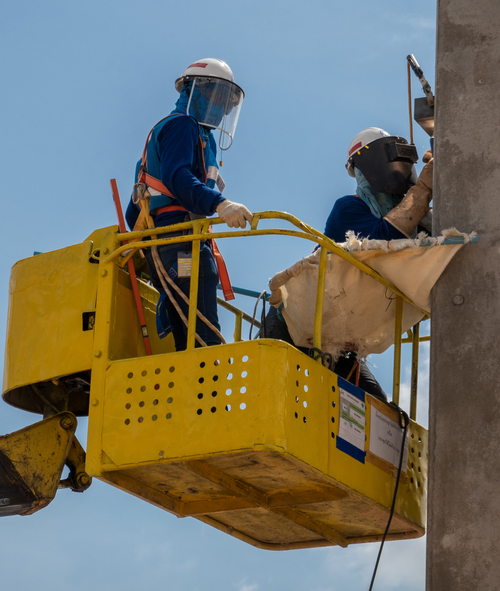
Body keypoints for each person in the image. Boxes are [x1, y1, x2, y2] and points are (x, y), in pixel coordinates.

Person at [263, 127, 434, 403]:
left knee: (377, 411)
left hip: (339, 339)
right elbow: (386, 238)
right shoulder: (349, 209)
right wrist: (423, 189)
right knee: (287, 404)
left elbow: (427, 240)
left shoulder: (410, 219)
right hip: (297, 328)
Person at [125, 58, 252, 351]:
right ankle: (208, 386)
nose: (219, 109)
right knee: (204, 334)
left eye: (225, 104)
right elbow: (178, 178)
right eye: (214, 97)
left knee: (190, 330)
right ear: (193, 91)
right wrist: (220, 204)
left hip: (176, 243)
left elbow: (136, 208)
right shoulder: (182, 125)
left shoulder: (199, 137)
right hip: (180, 243)